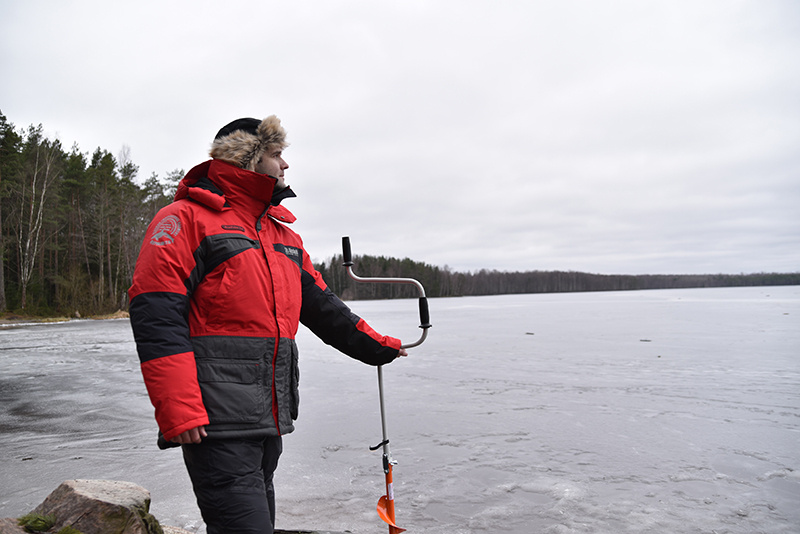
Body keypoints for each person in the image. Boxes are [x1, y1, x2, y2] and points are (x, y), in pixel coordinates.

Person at [128, 116, 407, 534]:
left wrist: (377, 346)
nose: (286, 165)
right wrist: (179, 410)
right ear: (249, 158)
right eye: (278, 155)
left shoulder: (282, 236)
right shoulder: (184, 219)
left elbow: (321, 305)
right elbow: (156, 315)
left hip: (266, 417)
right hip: (215, 421)